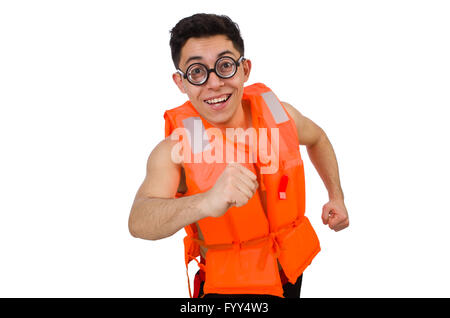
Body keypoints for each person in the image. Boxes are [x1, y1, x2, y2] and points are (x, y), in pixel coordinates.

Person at [128, 13, 349, 298]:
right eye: (197, 71)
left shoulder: (280, 115)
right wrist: (205, 201)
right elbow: (138, 221)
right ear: (180, 83)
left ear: (244, 69)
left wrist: (337, 196)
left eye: (225, 66)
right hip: (228, 290)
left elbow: (318, 138)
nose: (215, 83)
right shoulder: (178, 147)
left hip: (290, 272)